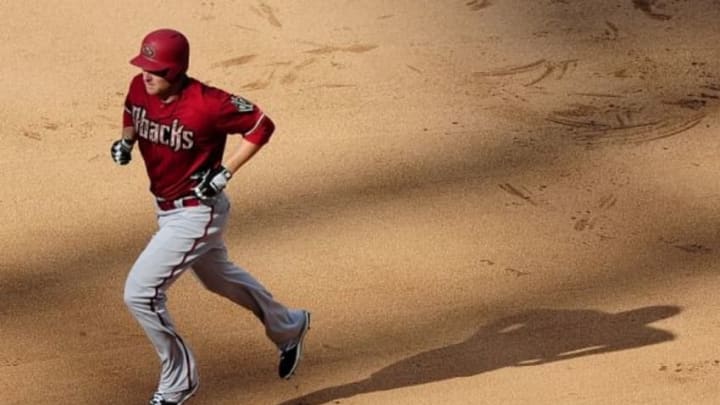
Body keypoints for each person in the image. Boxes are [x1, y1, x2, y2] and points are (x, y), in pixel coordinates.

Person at [111, 28, 310, 405]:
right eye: (143, 66)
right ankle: (289, 326)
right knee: (218, 278)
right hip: (165, 209)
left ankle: (178, 380)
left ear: (175, 70)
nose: (146, 75)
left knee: (140, 293)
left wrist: (226, 170)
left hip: (197, 212)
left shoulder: (208, 103)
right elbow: (130, 109)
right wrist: (126, 141)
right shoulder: (141, 87)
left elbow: (261, 125)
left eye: (155, 69)